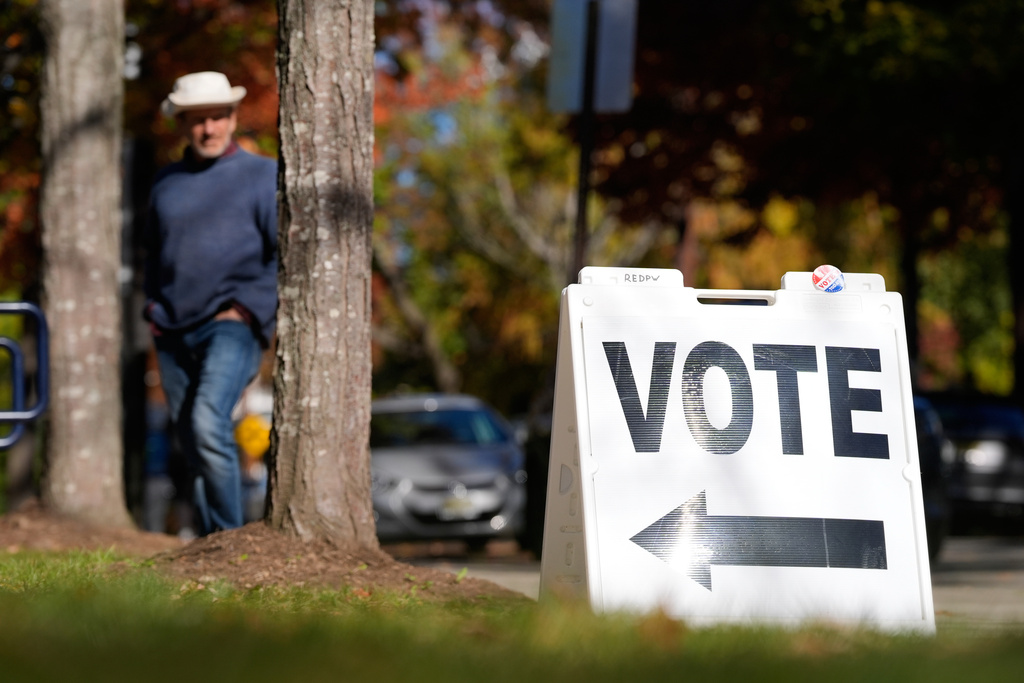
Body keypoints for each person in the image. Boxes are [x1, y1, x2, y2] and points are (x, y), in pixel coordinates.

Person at [143, 71, 278, 536]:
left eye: (218, 117)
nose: (209, 129)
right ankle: (207, 541)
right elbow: (153, 258)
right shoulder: (166, 184)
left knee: (206, 422)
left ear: (233, 117)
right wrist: (154, 315)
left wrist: (248, 311)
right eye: (198, 120)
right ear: (182, 124)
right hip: (173, 328)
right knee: (193, 441)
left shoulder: (262, 176)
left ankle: (227, 540)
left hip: (232, 324)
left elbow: (282, 254)